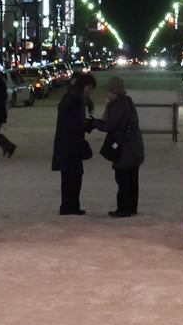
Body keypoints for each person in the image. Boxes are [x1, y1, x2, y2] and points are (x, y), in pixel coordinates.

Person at [91, 75, 144, 217]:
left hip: (125, 149)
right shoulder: (127, 101)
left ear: (114, 91)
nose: (106, 95)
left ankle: (124, 209)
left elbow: (110, 125)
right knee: (132, 179)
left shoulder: (117, 105)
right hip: (134, 147)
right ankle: (131, 207)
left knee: (123, 179)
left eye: (108, 91)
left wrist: (94, 123)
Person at [52, 72, 96, 214]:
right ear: (84, 86)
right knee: (73, 176)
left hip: (68, 143)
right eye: (89, 88)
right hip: (70, 143)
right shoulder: (74, 99)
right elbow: (72, 122)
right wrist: (85, 125)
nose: (90, 92)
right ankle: (69, 207)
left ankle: (70, 206)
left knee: (71, 176)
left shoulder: (74, 98)